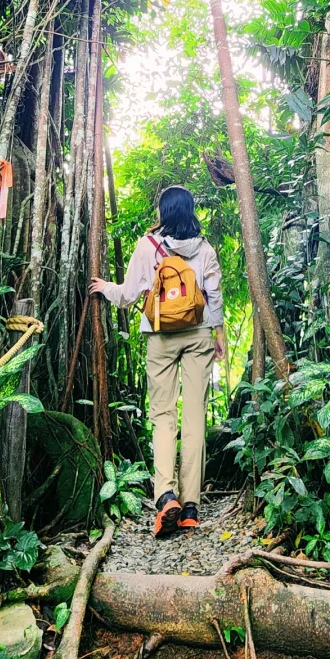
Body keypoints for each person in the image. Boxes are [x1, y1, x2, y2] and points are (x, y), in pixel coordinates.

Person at [90, 185, 225, 538]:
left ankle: (166, 495)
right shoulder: (206, 248)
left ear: (163, 213)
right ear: (191, 210)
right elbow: (214, 297)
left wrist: (105, 287)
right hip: (198, 335)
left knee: (163, 417)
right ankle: (191, 506)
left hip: (160, 334)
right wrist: (219, 336)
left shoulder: (148, 245)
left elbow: (128, 294)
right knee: (194, 416)